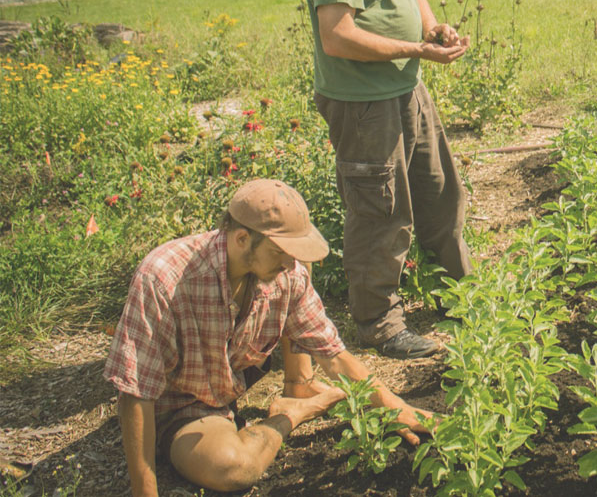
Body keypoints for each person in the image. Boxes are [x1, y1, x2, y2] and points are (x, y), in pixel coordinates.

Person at [104, 179, 432, 497]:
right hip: (182, 404)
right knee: (235, 469)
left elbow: (333, 354)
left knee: (295, 279)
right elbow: (136, 393)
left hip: (226, 382)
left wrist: (398, 408)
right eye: (280, 252)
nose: (290, 263)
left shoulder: (285, 272)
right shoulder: (163, 279)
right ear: (242, 239)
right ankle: (293, 413)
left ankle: (298, 388)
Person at [299, 0, 472, 360]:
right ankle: (377, 322)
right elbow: (338, 35)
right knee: (381, 211)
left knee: (439, 192)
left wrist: (432, 27)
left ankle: (458, 294)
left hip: (405, 85)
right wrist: (418, 49)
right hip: (362, 101)